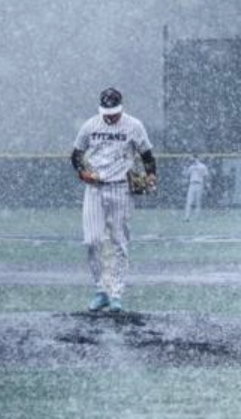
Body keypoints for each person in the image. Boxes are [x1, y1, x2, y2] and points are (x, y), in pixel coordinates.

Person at [70, 87, 157, 312]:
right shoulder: (90, 125)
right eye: (107, 112)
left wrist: (150, 175)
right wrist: (82, 173)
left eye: (114, 112)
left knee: (120, 242)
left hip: (121, 188)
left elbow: (147, 154)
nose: (111, 116)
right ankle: (101, 291)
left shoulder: (134, 126)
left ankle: (116, 294)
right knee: (92, 241)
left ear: (121, 107)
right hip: (95, 189)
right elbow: (76, 155)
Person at [182, 154, 210, 221]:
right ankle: (187, 217)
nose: (192, 160)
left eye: (193, 158)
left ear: (197, 158)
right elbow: (186, 175)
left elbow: (206, 176)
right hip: (192, 184)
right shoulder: (191, 167)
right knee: (189, 201)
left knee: (198, 202)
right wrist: (185, 166)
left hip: (199, 184)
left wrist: (207, 185)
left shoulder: (203, 166)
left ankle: (196, 217)